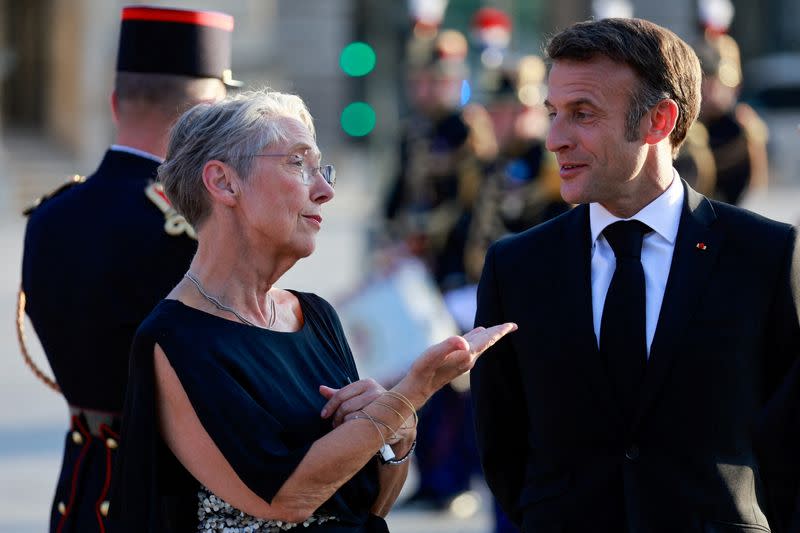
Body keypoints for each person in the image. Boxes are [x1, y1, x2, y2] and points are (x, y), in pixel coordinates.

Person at [108, 89, 516, 532]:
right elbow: (286, 498)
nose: (324, 190)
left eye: (321, 167)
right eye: (297, 164)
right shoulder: (177, 338)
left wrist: (396, 432)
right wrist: (408, 395)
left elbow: (366, 504)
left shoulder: (314, 315)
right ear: (224, 182)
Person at [470, 17, 800, 532]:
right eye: (552, 113)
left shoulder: (765, 255)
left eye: (582, 114)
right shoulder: (516, 267)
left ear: (659, 121)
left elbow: (792, 442)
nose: (555, 138)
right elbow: (503, 445)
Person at [19, 6, 238, 531]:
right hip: (170, 495)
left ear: (115, 103)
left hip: (82, 488)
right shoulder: (196, 227)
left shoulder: (50, 214)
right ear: (203, 119)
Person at [695, 31, 769, 205]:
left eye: (718, 83)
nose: (712, 90)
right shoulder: (684, 128)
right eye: (706, 83)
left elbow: (757, 183)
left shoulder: (743, 126)